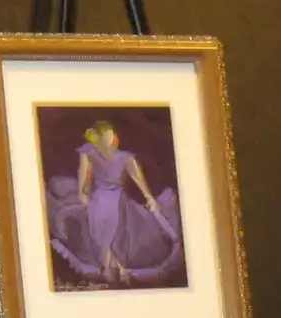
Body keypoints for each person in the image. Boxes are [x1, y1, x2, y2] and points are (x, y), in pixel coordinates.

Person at [45, 120, 184, 287]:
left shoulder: (126, 158)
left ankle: (116, 267)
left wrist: (150, 198)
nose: (111, 143)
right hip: (99, 198)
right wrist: (84, 198)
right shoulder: (89, 153)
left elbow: (139, 180)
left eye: (112, 138)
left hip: (118, 199)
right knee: (99, 221)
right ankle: (113, 266)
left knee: (113, 225)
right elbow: (84, 182)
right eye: (107, 139)